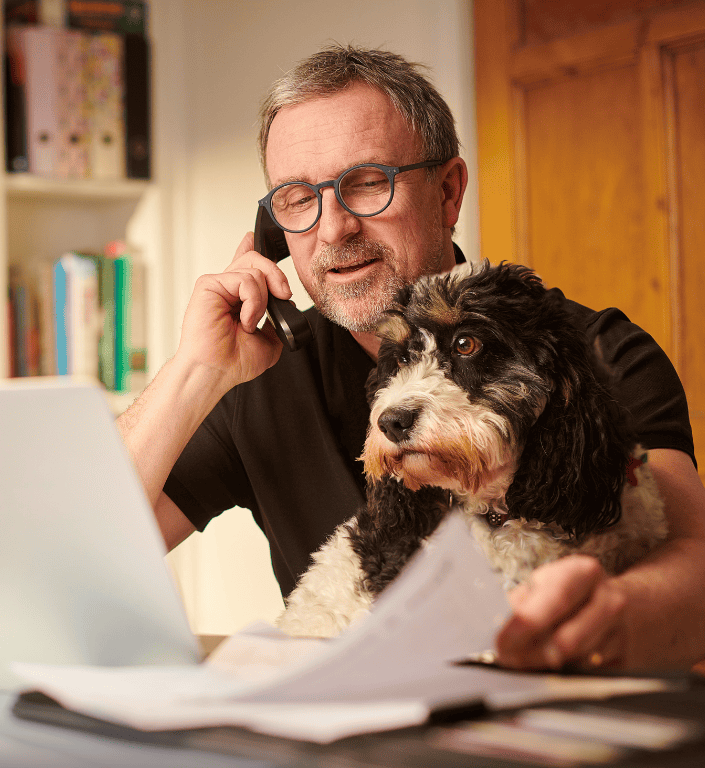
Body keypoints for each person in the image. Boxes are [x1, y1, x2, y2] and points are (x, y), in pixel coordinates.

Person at [117, 44, 705, 672]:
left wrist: (601, 620)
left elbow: (691, 558)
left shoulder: (596, 351)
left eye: (367, 183)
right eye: (296, 198)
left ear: (448, 193)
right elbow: (83, 547)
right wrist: (195, 371)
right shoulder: (259, 371)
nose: (333, 228)